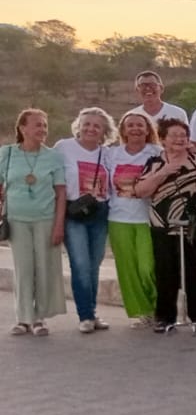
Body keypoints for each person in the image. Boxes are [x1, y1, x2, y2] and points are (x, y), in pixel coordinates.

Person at [132, 118, 196, 333]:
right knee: (165, 270)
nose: (179, 139)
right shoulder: (155, 162)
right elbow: (140, 191)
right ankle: (165, 317)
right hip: (162, 223)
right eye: (173, 135)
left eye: (183, 135)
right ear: (163, 139)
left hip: (194, 223)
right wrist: (165, 171)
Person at [2, 109, 67, 335]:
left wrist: (59, 225)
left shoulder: (53, 157)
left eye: (44, 125)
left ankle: (39, 319)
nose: (42, 129)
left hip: (46, 220)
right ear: (22, 128)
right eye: (37, 125)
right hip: (16, 220)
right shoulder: (7, 154)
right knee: (23, 269)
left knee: (44, 268)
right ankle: (23, 319)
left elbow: (61, 193)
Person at [55, 107, 116, 333]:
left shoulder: (107, 153)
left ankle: (92, 311)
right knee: (80, 264)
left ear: (104, 131)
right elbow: (52, 178)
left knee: (94, 265)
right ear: (78, 126)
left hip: (99, 212)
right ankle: (85, 316)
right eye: (87, 124)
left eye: (96, 126)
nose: (91, 129)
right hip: (74, 213)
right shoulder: (64, 147)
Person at [106, 111, 159, 329]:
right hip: (118, 218)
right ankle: (144, 312)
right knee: (128, 270)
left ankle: (161, 307)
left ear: (148, 130)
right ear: (123, 130)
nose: (135, 129)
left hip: (147, 219)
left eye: (140, 125)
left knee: (148, 267)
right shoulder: (111, 154)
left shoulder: (156, 153)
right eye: (130, 125)